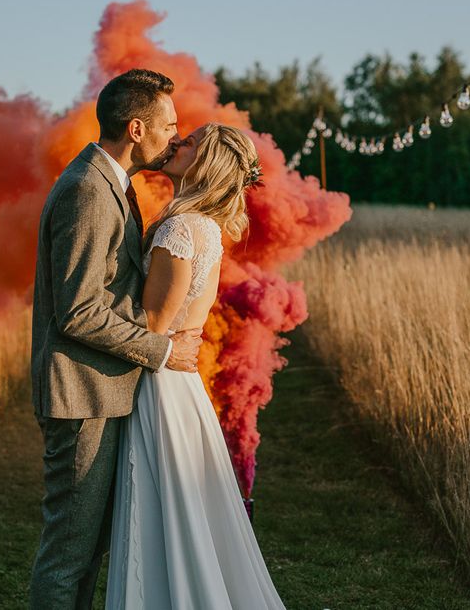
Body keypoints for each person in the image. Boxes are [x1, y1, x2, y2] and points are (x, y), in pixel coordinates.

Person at [29, 68, 204, 609]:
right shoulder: (87, 191)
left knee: (87, 549)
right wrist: (164, 351)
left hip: (100, 390)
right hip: (82, 395)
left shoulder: (111, 184)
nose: (175, 137)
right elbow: (77, 312)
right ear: (135, 128)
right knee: (69, 553)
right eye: (168, 126)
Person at [105, 123, 286, 609]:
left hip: (160, 386)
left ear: (206, 163)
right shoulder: (201, 224)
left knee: (159, 515)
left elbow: (154, 325)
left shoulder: (182, 228)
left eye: (190, 143)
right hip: (176, 385)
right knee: (181, 517)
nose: (178, 142)